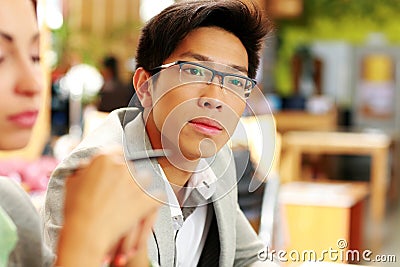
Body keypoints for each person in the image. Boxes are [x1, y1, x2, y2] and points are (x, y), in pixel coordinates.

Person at [44, 1, 278, 266]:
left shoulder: (216, 158)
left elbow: (247, 258)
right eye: (194, 71)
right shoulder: (93, 175)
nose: (216, 98)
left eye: (235, 81)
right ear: (145, 87)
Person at [0, 0, 161, 266]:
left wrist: (131, 250)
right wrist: (83, 237)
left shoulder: (12, 208)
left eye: (34, 56)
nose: (32, 83)